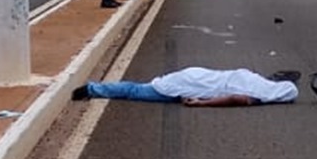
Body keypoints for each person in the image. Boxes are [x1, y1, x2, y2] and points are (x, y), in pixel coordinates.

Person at [71, 67, 301, 107]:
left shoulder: (255, 80)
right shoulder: (258, 95)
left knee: (146, 87)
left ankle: (93, 89)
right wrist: (202, 104)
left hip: (195, 75)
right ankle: (91, 90)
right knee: (136, 91)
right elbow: (235, 99)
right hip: (192, 88)